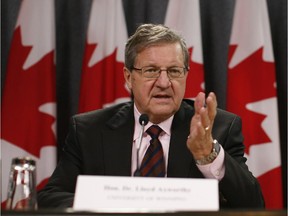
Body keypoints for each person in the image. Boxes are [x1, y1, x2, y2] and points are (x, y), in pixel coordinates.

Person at [38, 23, 264, 209]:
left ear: (185, 75)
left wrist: (209, 155)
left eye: (174, 71)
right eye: (151, 71)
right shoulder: (89, 130)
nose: (164, 83)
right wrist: (110, 205)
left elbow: (253, 205)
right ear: (128, 77)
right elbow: (50, 198)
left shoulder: (218, 129)